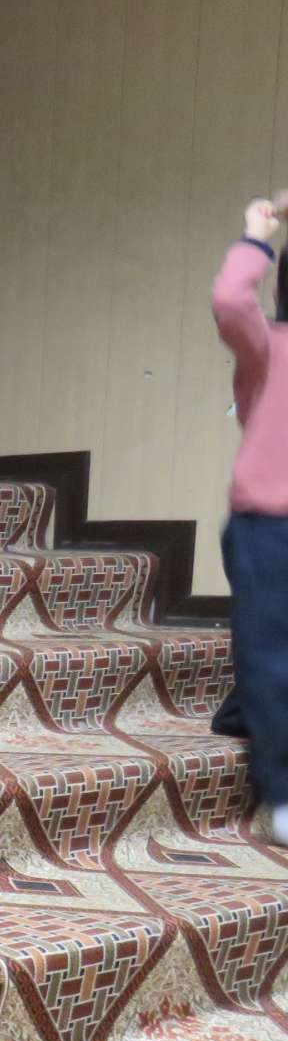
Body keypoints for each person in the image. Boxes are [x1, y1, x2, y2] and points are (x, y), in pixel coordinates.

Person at [210, 195, 288, 843]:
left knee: (268, 648)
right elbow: (232, 301)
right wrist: (257, 235)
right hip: (267, 528)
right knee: (270, 651)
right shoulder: (268, 348)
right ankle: (282, 791)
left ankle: (241, 712)